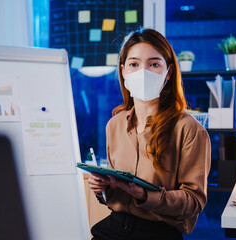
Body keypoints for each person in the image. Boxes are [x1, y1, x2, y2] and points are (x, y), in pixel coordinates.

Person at [87, 28, 211, 240]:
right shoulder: (114, 125)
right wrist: (102, 189)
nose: (142, 72)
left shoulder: (189, 129)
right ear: (123, 71)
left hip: (157, 233)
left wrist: (146, 195)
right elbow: (113, 195)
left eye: (154, 64)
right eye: (134, 64)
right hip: (112, 228)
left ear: (168, 72)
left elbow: (194, 202)